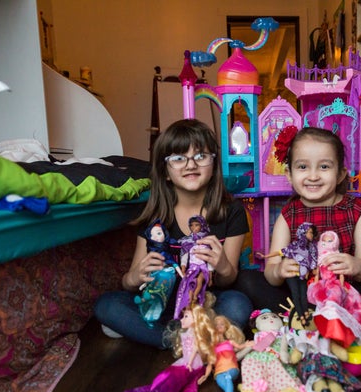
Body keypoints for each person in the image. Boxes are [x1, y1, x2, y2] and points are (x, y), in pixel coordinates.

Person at [94, 119, 253, 348]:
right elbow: (128, 282)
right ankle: (182, 341)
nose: (190, 165)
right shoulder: (154, 216)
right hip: (161, 305)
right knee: (107, 305)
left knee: (238, 304)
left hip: (206, 303)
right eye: (178, 158)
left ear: (214, 165)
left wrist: (223, 265)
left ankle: (172, 338)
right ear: (166, 172)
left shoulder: (232, 211)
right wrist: (137, 275)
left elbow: (229, 278)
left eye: (200, 156)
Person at [236, 126, 361, 322]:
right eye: (303, 167)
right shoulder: (289, 214)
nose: (313, 176)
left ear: (340, 174)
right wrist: (279, 270)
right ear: (289, 174)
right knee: (246, 280)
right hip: (298, 295)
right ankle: (309, 315)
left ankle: (313, 318)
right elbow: (271, 271)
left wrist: (357, 266)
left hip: (342, 294)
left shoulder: (356, 210)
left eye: (324, 167)